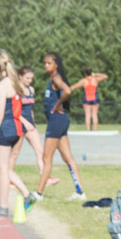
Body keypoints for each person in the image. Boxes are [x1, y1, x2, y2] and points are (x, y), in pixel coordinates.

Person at [0, 49, 35, 218]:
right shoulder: (16, 81)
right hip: (17, 129)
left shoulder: (3, 85)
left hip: (5, 128)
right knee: (3, 167)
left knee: (3, 169)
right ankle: (27, 195)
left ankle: (3, 206)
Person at [32, 52, 85, 201]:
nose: (45, 66)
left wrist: (57, 104)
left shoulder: (56, 78)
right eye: (44, 63)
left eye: (49, 63)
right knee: (67, 157)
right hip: (60, 120)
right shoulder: (52, 79)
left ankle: (39, 193)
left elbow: (67, 90)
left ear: (56, 64)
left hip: (56, 121)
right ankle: (80, 192)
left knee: (46, 157)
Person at [11, 65, 46, 171]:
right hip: (19, 124)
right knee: (15, 154)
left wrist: (32, 122)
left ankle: (45, 177)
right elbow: (14, 110)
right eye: (28, 78)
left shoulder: (31, 90)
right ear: (20, 76)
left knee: (40, 151)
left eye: (31, 78)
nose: (30, 81)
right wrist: (25, 122)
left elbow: (31, 110)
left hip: (30, 125)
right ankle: (8, 179)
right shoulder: (15, 90)